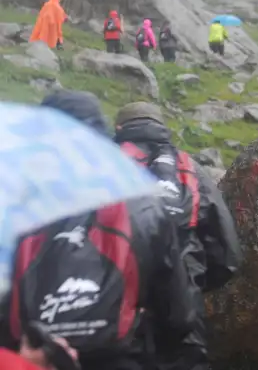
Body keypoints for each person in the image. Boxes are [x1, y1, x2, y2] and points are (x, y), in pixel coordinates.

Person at [0, 90, 196, 370]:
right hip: (122, 359)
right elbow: (178, 318)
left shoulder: (16, 212)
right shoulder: (144, 208)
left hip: (34, 360)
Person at [114, 102, 242, 370]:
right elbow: (226, 252)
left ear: (119, 129)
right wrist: (192, 282)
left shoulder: (101, 164)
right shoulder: (188, 168)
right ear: (162, 127)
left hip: (115, 305)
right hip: (181, 304)